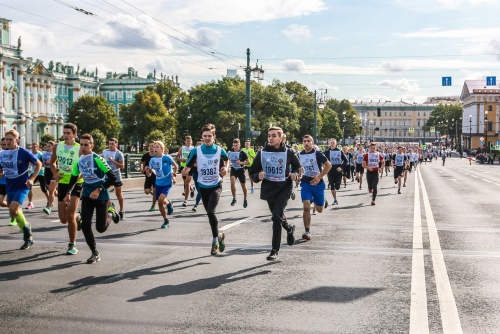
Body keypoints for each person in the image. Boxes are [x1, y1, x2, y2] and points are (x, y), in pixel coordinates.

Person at [66, 133, 119, 264]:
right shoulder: (79, 161)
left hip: (100, 194)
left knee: (100, 228)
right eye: (81, 145)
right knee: (86, 226)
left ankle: (111, 211)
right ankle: (94, 252)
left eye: (86, 145)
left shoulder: (97, 159)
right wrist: (68, 192)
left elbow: (112, 177)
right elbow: (73, 177)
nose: (83, 147)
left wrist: (99, 189)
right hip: (87, 195)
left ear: (92, 146)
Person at [249, 126, 300, 261]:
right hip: (269, 188)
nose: (270, 138)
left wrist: (294, 174)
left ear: (281, 138)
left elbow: (297, 166)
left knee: (276, 216)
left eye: (273, 136)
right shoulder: (262, 153)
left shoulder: (288, 152)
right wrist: (257, 176)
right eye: (269, 136)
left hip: (284, 187)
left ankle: (274, 250)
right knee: (277, 216)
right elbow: (252, 170)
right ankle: (289, 228)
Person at [183, 124, 229, 256]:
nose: (207, 138)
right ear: (202, 137)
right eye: (205, 136)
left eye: (210, 136)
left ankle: (214, 242)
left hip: (216, 184)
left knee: (211, 211)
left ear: (214, 137)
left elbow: (227, 160)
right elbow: (188, 165)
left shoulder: (220, 150)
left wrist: (225, 168)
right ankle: (219, 236)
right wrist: (185, 170)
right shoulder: (196, 151)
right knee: (209, 215)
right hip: (202, 186)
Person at [0, 130, 42, 249]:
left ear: (16, 140)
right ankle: (27, 230)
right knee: (14, 211)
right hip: (10, 185)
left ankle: (27, 233)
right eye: (6, 139)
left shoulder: (23, 152)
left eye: (10, 139)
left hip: (23, 185)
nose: (7, 142)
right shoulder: (2, 154)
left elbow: (39, 163)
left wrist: (32, 178)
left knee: (13, 209)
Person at [50, 123, 83, 255]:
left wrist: (78, 175)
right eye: (64, 133)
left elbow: (84, 167)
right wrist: (55, 173)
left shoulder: (80, 149)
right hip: (63, 182)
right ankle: (78, 217)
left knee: (69, 215)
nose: (66, 135)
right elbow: (52, 162)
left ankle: (72, 244)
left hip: (76, 182)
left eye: (69, 133)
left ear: (75, 135)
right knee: (64, 219)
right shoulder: (58, 146)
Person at [298, 135, 331, 241]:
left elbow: (328, 165)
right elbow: (299, 166)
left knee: (319, 209)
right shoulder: (299, 154)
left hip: (318, 184)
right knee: (306, 206)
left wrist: (318, 177)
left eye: (308, 141)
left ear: (312, 143)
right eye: (304, 141)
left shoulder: (317, 153)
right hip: (306, 183)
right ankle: (307, 231)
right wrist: (299, 176)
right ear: (302, 143)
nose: (306, 143)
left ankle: (323, 200)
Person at [145, 141, 177, 229]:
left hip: (167, 183)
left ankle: (166, 219)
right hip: (158, 183)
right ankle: (166, 217)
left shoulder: (167, 157)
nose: (154, 149)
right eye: (154, 147)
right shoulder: (152, 160)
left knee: (160, 200)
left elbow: (176, 166)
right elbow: (149, 175)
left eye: (157, 147)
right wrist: (147, 171)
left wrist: (174, 174)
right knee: (160, 203)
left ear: (162, 149)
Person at [103, 138, 125, 219]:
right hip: (107, 175)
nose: (111, 145)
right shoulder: (105, 152)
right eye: (109, 144)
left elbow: (122, 166)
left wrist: (113, 161)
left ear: (116, 144)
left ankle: (121, 210)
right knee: (103, 191)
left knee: (118, 195)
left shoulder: (119, 154)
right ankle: (110, 205)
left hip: (116, 176)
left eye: (112, 144)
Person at [323, 138, 347, 205]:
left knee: (337, 187)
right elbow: (322, 160)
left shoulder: (339, 151)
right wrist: (325, 168)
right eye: (331, 143)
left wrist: (341, 167)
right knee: (332, 185)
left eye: (333, 143)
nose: (332, 144)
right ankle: (335, 200)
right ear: (329, 144)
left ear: (336, 144)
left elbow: (345, 161)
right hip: (330, 171)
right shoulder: (327, 152)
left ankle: (338, 185)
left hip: (338, 171)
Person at [25, 143, 48, 210]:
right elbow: (28, 163)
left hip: (41, 173)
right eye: (32, 147)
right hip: (33, 173)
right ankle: (30, 203)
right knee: (28, 186)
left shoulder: (40, 154)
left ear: (38, 148)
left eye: (35, 147)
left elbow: (42, 164)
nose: (33, 148)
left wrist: (38, 166)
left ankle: (49, 201)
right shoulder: (30, 154)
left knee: (44, 189)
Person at [228, 138, 250, 208]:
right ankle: (234, 198)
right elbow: (227, 160)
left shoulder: (242, 153)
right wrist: (227, 166)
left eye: (237, 145)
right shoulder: (230, 152)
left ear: (239, 145)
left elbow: (248, 162)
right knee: (232, 182)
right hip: (233, 169)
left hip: (240, 169)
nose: (235, 147)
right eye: (234, 145)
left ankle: (245, 199)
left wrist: (240, 162)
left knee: (243, 185)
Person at [176, 136, 195, 207]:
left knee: (187, 183)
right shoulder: (182, 148)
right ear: (185, 142)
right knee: (185, 182)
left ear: (191, 142)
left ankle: (185, 200)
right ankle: (192, 189)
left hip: (191, 167)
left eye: (190, 141)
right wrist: (183, 160)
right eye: (187, 141)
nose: (188, 142)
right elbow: (176, 157)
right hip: (183, 167)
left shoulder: (193, 149)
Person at [0, 137, 15, 226]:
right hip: (1, 182)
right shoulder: (1, 154)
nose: (3, 146)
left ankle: (13, 218)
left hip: (10, 182)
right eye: (1, 145)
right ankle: (15, 209)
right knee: (1, 202)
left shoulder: (13, 154)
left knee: (10, 201)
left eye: (4, 145)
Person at [140, 142, 157, 211]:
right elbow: (140, 162)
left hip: (156, 176)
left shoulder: (157, 155)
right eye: (150, 146)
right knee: (147, 191)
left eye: (152, 146)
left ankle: (153, 206)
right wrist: (141, 169)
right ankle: (155, 194)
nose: (151, 147)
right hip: (148, 175)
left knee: (155, 191)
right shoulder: (146, 155)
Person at [42, 141, 57, 215]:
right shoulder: (44, 154)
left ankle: (49, 207)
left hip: (54, 171)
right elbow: (42, 164)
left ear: (53, 147)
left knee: (51, 191)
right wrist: (45, 162)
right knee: (51, 190)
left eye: (49, 146)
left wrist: (52, 162)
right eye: (47, 146)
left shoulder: (57, 153)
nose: (48, 148)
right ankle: (63, 197)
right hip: (47, 171)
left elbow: (58, 163)